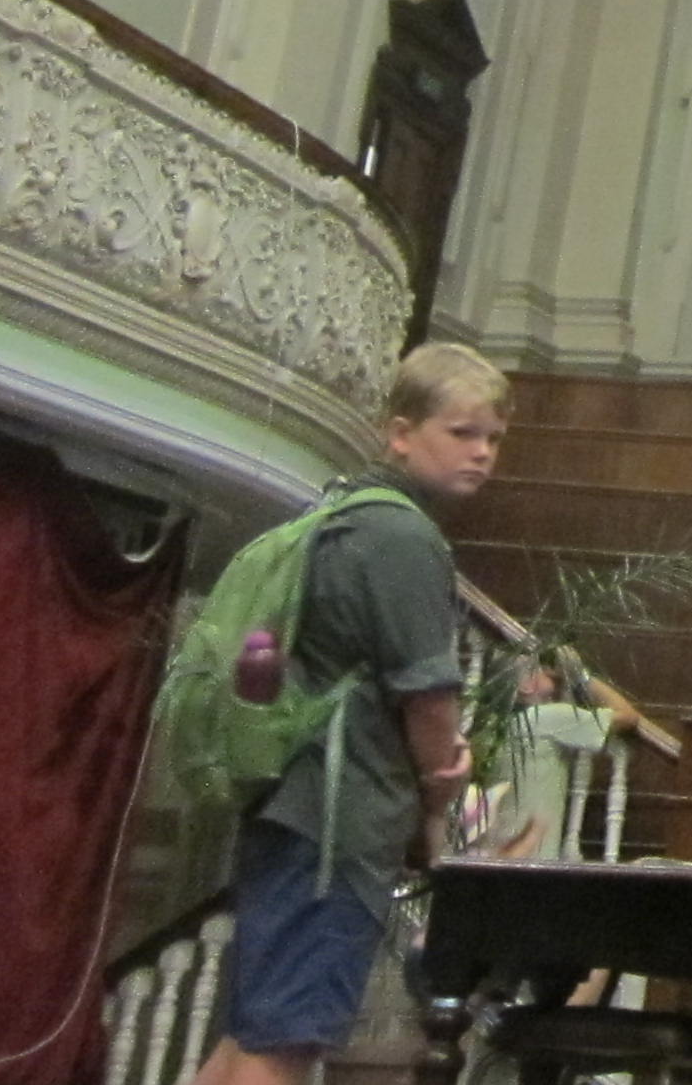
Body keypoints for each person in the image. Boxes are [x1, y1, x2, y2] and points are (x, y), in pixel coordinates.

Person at [189, 342, 508, 1085]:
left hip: (293, 800)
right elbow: (427, 693)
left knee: (254, 1031)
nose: (483, 453)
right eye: (462, 433)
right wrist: (442, 783)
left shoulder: (342, 511)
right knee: (287, 1040)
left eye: (493, 438)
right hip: (341, 813)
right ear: (400, 432)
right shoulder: (402, 536)